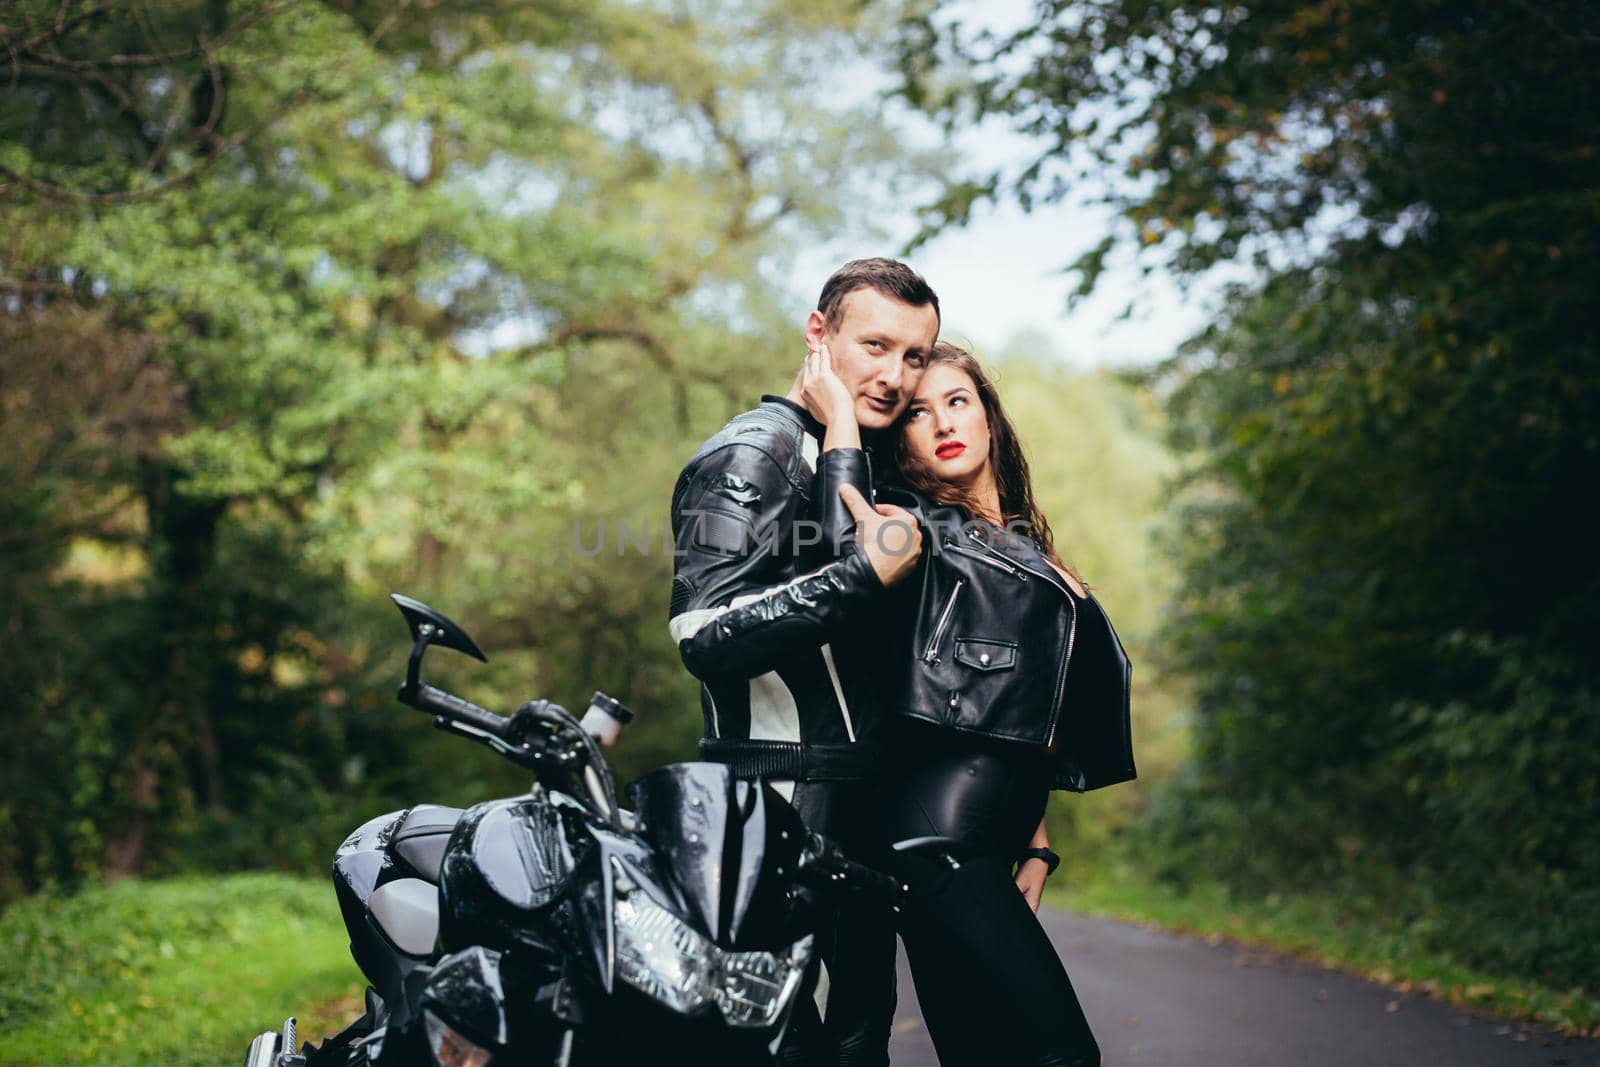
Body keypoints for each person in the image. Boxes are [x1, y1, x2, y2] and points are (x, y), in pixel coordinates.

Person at [808, 339, 1136, 1066]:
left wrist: (1038, 842)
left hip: (982, 836)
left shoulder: (1018, 542)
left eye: (958, 401)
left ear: (989, 417)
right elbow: (842, 555)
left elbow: (1018, 710)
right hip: (938, 838)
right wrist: (841, 420)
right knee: (1063, 1055)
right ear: (905, 446)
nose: (943, 422)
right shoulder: (919, 527)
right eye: (918, 414)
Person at [667, 258, 940, 1065]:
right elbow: (700, 632)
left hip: (852, 814)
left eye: (916, 355)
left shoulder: (854, 457)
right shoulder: (754, 454)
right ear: (819, 334)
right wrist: (862, 573)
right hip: (776, 804)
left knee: (853, 1041)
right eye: (876, 344)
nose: (894, 375)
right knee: (789, 1046)